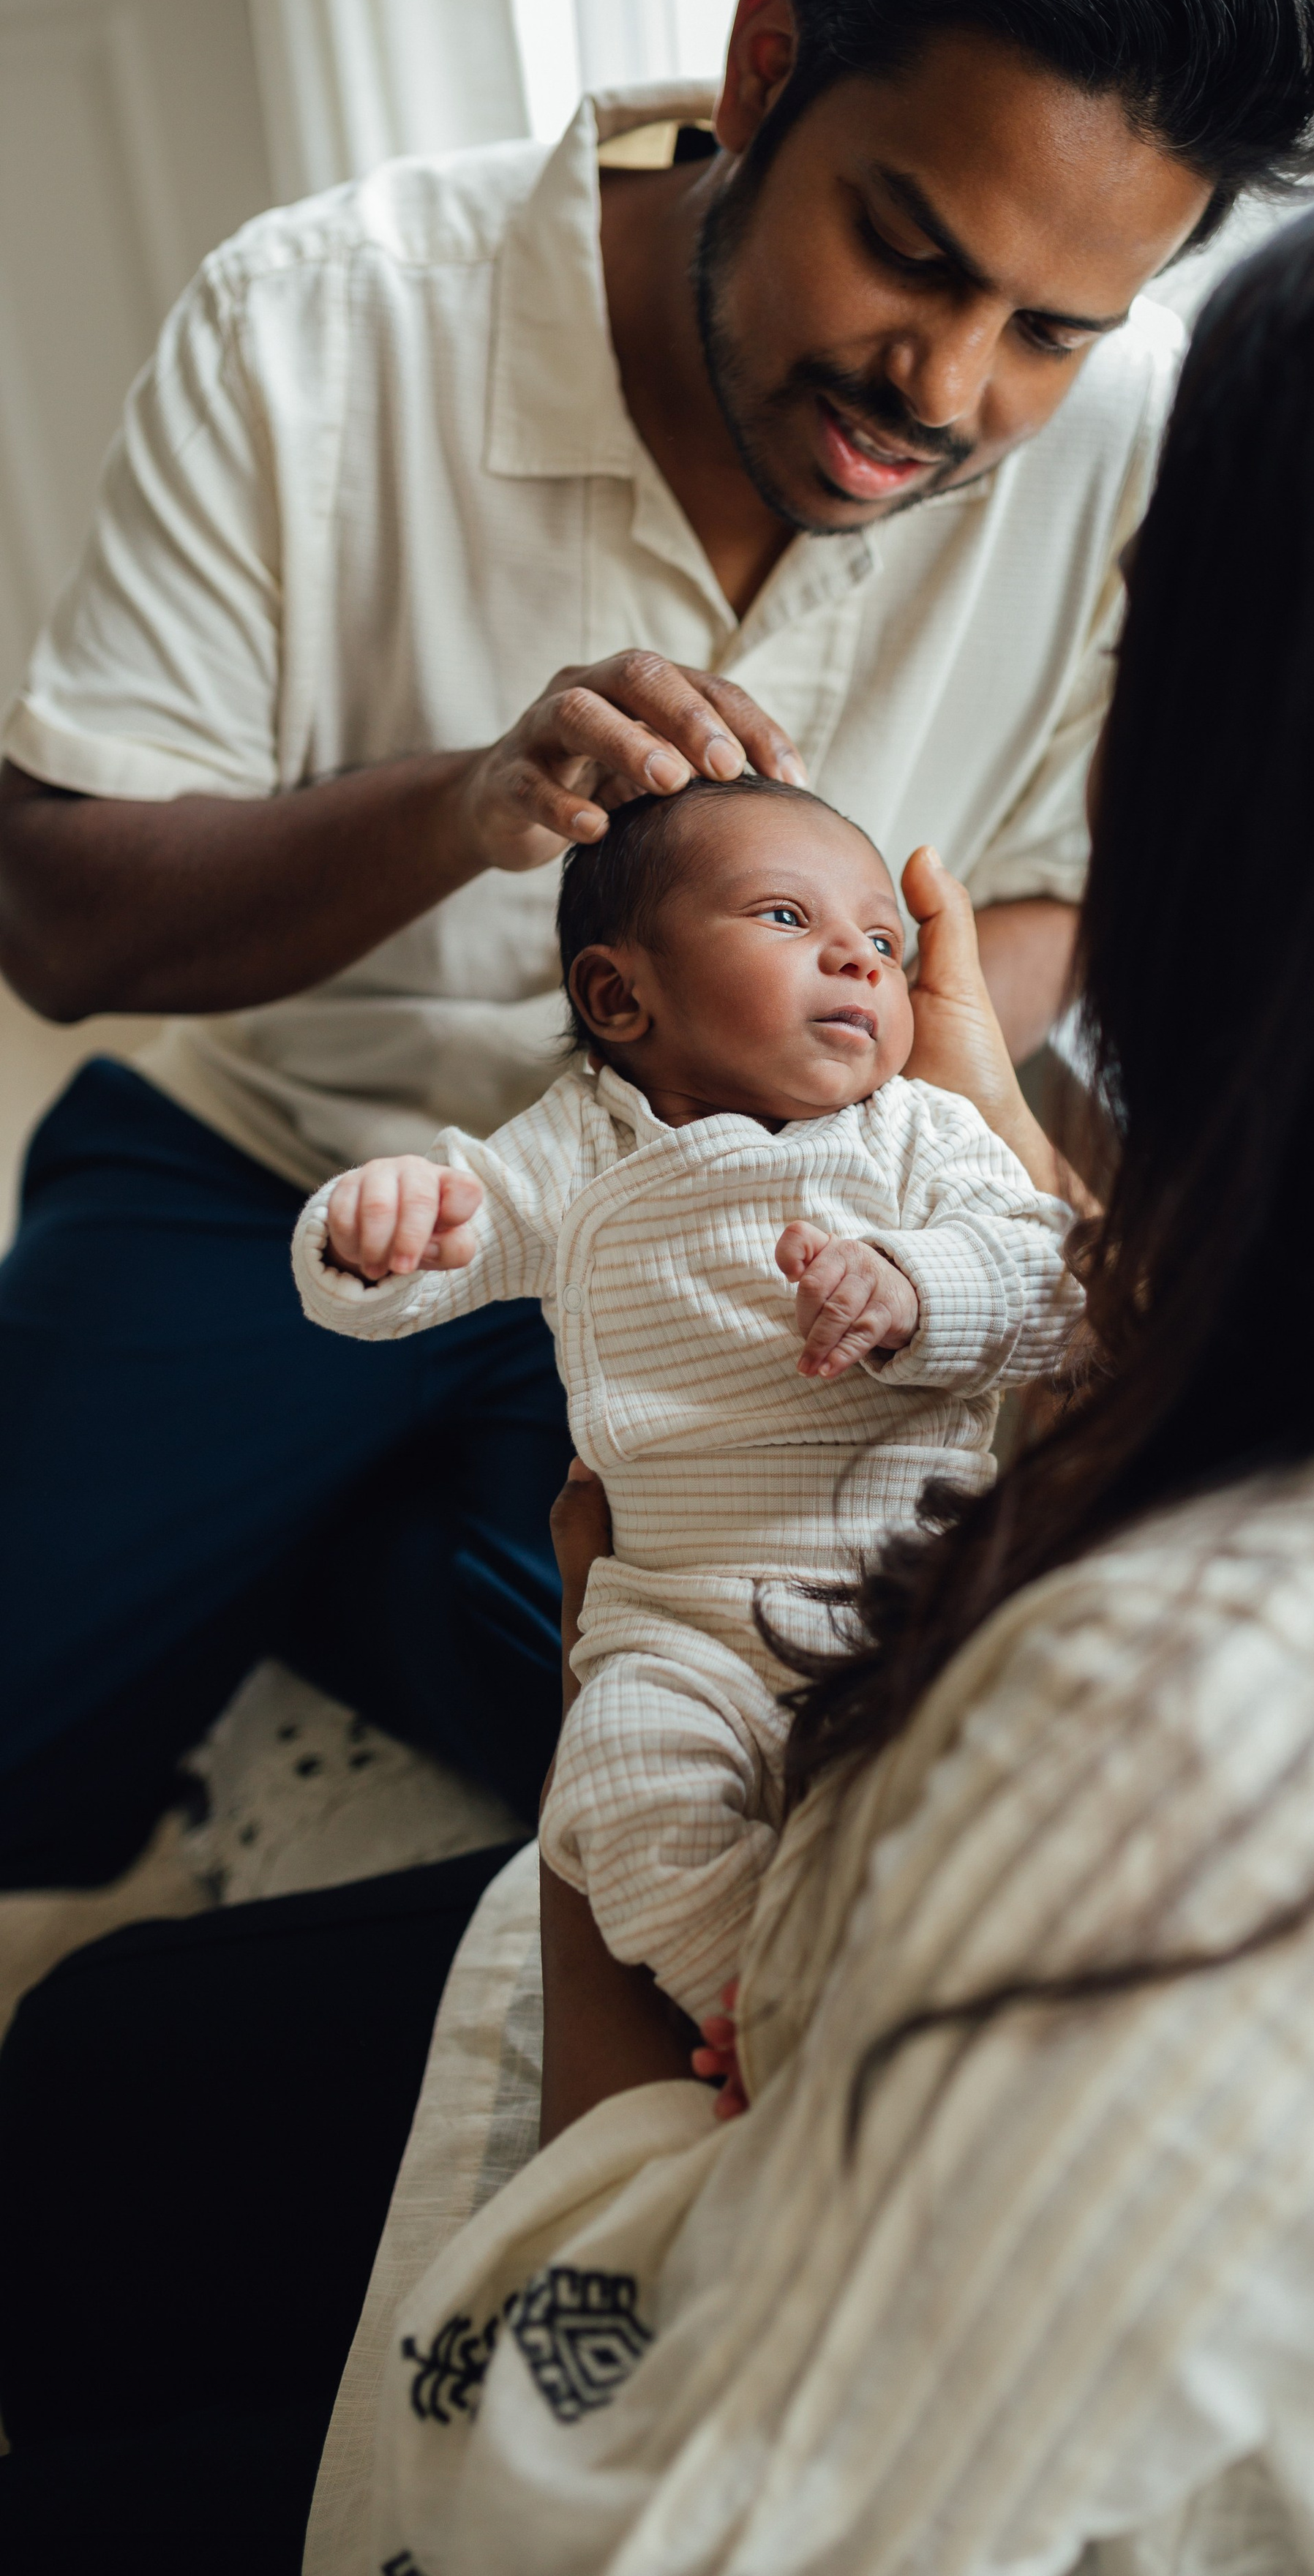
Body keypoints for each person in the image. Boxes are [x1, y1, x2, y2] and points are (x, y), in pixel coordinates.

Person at [348, 144, 1314, 2570]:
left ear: (1295, 785)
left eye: (1154, 640)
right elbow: (487, 1231)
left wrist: (594, 1689)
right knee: (117, 2113)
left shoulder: (1252, 1736)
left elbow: (652, 2520)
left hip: (752, 2079)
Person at [0, 0, 1314, 1890]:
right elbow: (58, 916)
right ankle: (319, 1510)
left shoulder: (1138, 447)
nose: (946, 388)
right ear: (764, 65)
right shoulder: (318, 322)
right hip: (288, 1164)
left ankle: (347, 1554)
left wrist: (836, 1090)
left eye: (1051, 333)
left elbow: (1060, 896)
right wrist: (463, 807)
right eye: (909, 251)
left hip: (746, 1239)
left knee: (769, 1801)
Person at [293, 776, 1079, 2019]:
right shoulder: (581, 1148)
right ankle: (750, 1998)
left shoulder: (920, 1135)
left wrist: (917, 1290)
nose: (858, 959)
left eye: (883, 939)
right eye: (785, 916)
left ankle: (915, 1981)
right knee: (620, 1795)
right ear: (619, 995)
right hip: (677, 1624)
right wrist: (373, 1236)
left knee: (997, 1780)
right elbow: (446, 1251)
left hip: (921, 1585)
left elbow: (1047, 1282)